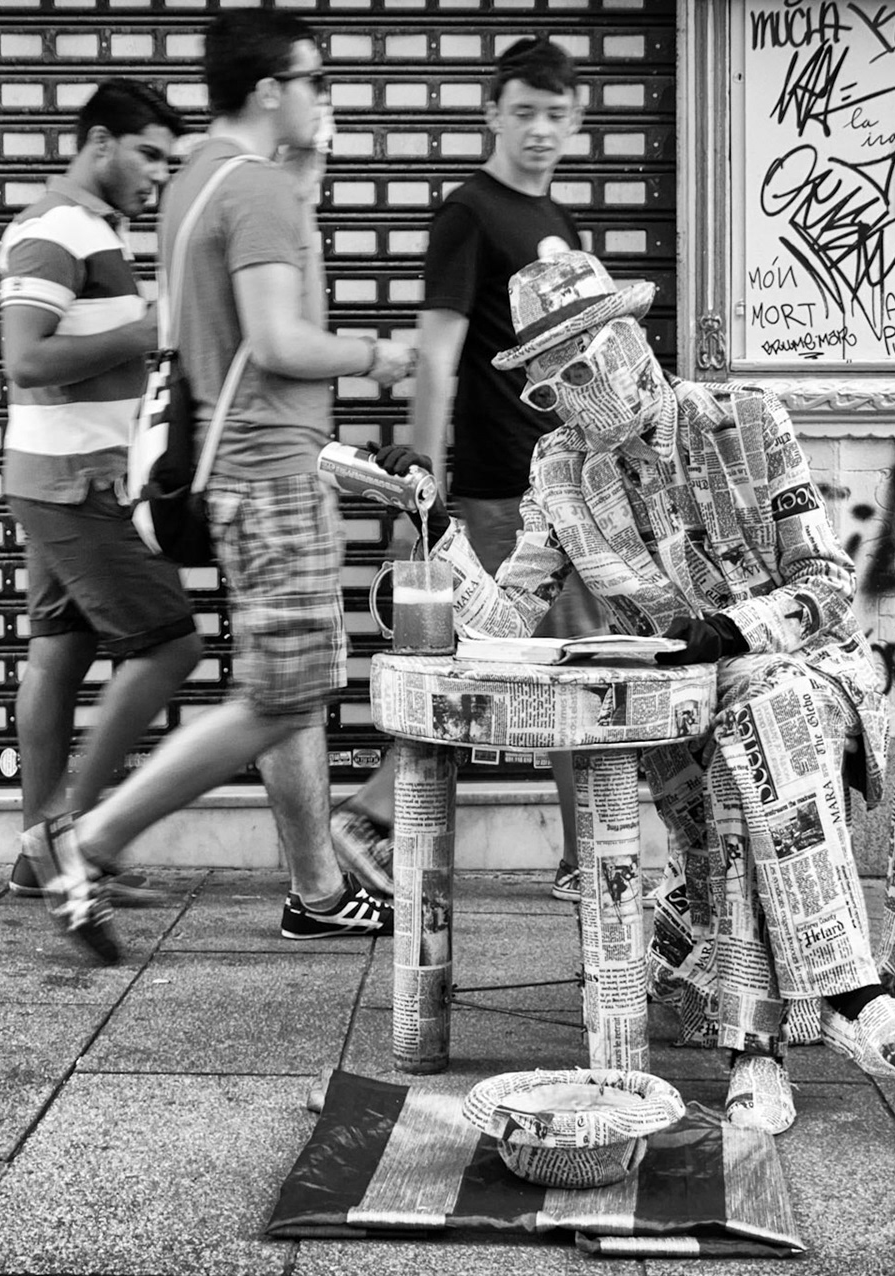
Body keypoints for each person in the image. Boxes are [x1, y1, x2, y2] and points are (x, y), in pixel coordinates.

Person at [371, 249, 895, 1134]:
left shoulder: (750, 420)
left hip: (814, 678)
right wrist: (438, 527)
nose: (574, 391)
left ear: (633, 339)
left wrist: (731, 631)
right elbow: (504, 624)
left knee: (769, 702)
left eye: (587, 360)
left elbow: (829, 585)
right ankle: (820, 1008)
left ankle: (788, 1032)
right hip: (687, 718)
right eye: (550, 383)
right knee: (735, 759)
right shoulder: (559, 470)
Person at [18, 12, 415, 964]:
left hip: (234, 475)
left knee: (286, 687)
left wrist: (306, 183)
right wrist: (383, 356)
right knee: (280, 698)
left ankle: (314, 891)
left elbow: (242, 326)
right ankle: (96, 841)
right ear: (271, 88)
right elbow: (284, 341)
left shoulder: (198, 181)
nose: (328, 97)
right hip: (274, 473)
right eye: (315, 80)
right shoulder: (261, 191)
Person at [329, 37, 604, 905]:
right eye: (523, 112)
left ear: (576, 122)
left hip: (558, 486)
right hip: (498, 489)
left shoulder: (554, 223)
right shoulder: (470, 214)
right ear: (492, 113)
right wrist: (422, 480)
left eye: (556, 115)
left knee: (567, 667)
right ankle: (372, 814)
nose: (539, 131)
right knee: (504, 674)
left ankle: (581, 856)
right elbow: (439, 351)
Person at [0, 79, 204, 910]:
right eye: (147, 154)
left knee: (61, 653)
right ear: (99, 143)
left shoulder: (97, 233)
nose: (158, 173)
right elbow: (25, 358)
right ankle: (69, 845)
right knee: (170, 648)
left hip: (64, 477)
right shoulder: (55, 230)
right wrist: (148, 330)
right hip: (73, 484)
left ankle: (31, 858)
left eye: (167, 158)